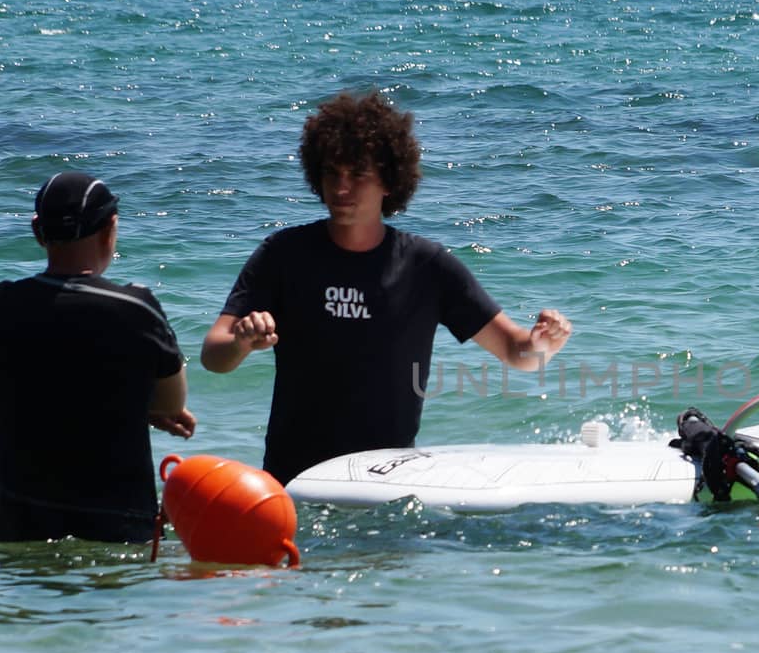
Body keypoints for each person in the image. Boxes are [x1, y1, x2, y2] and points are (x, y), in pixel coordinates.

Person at [201, 89, 572, 485]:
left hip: (385, 482)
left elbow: (516, 352)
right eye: (332, 173)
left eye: (358, 175)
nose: (342, 188)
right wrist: (241, 342)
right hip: (295, 480)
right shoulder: (284, 254)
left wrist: (543, 343)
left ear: (389, 182)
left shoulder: (426, 266)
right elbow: (213, 355)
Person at [0, 171, 196, 542]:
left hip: (21, 512)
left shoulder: (2, 304)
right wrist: (147, 410)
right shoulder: (135, 307)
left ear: (37, 231)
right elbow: (173, 402)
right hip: (117, 515)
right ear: (111, 228)